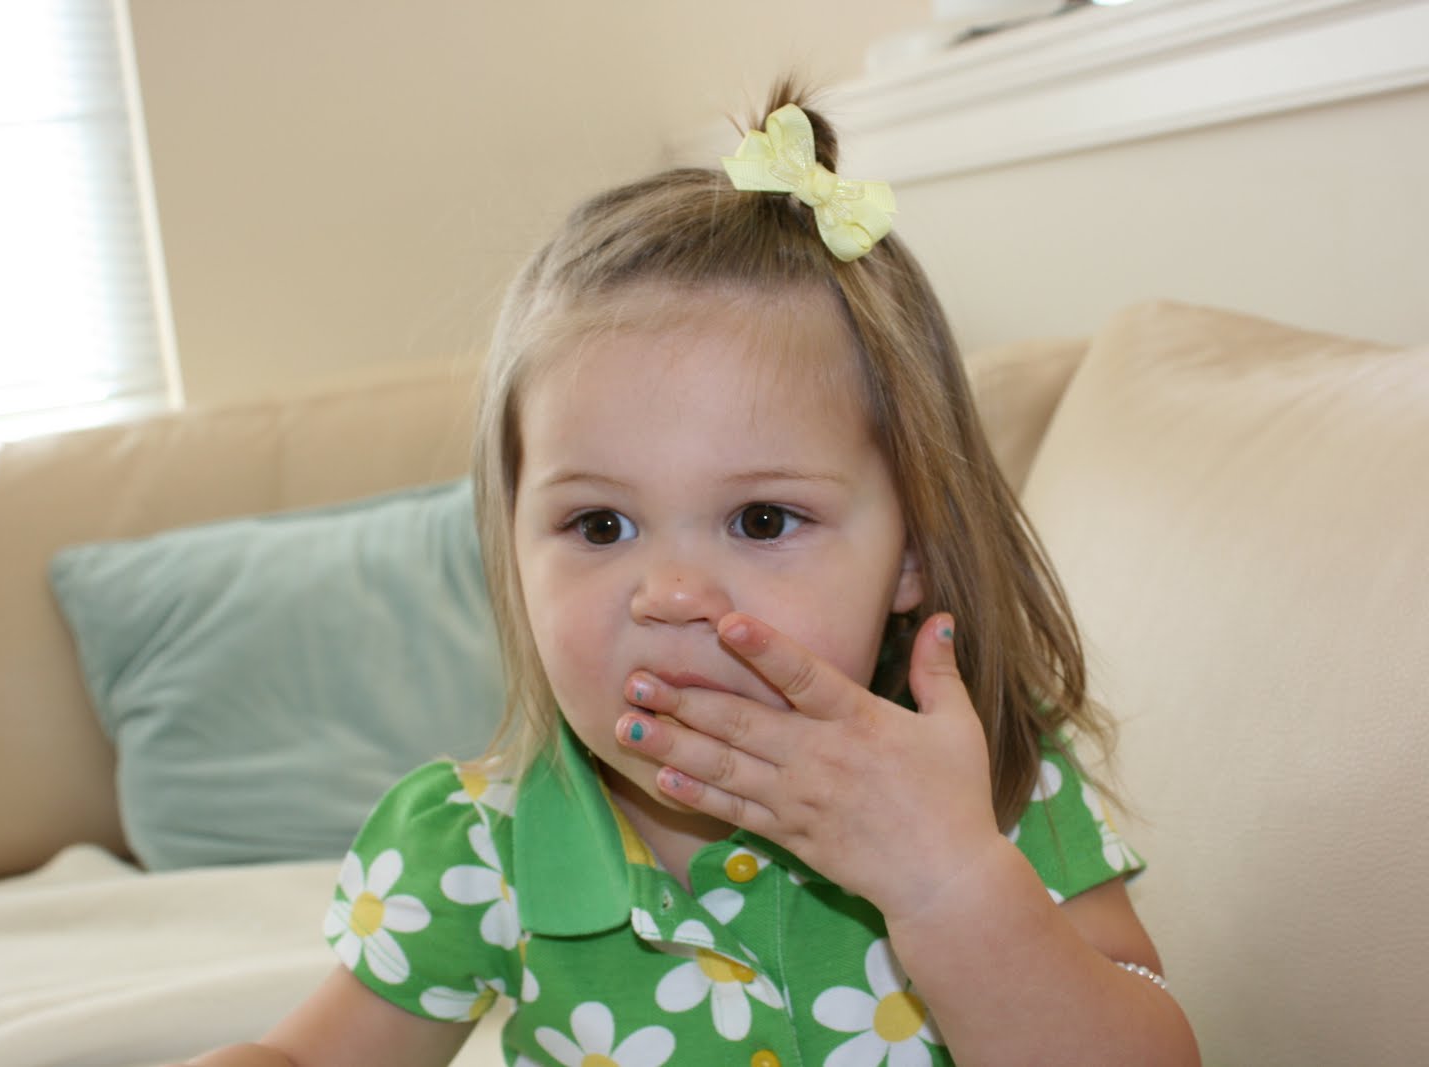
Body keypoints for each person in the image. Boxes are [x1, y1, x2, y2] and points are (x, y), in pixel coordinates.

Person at [189, 81, 1200, 1067]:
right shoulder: (477, 849)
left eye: (761, 520)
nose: (670, 594)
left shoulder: (982, 781)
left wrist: (951, 882)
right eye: (599, 524)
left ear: (914, 553)